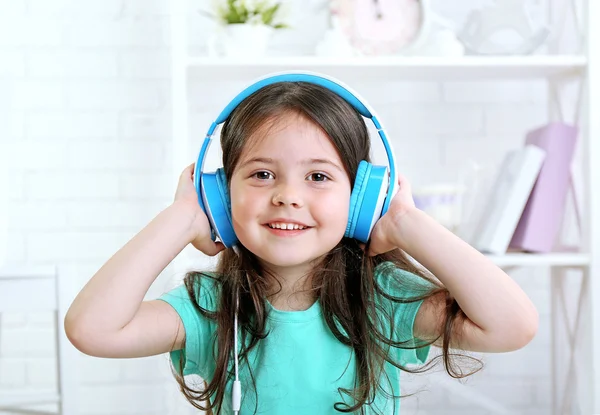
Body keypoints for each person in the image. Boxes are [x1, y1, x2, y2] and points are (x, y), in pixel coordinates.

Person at [64, 73, 539, 415]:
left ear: (360, 199)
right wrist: (182, 218)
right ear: (221, 197)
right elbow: (92, 330)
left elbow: (511, 326)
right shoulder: (211, 306)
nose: (287, 195)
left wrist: (407, 223)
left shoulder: (384, 299)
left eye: (317, 176)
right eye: (262, 174)